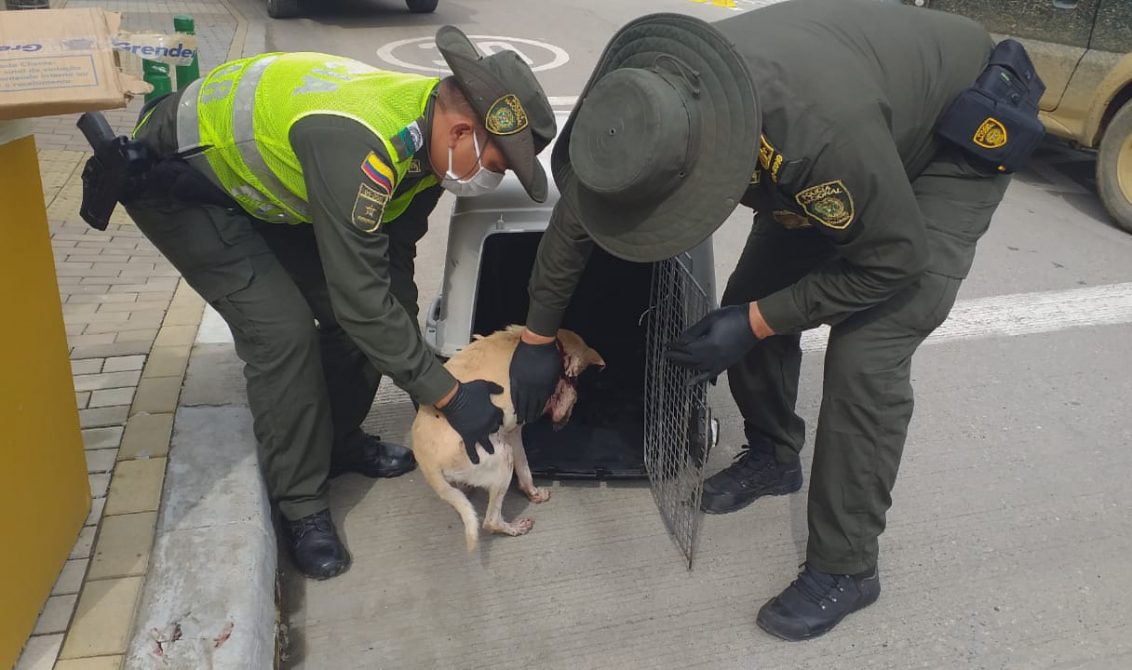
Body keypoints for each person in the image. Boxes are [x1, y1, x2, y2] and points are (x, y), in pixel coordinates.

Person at [508, 1, 1039, 640]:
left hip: (951, 139)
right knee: (751, 295)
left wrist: (757, 323)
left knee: (865, 355)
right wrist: (538, 337)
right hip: (856, 124)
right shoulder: (635, 100)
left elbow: (895, 259)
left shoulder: (810, 136)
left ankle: (848, 568)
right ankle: (774, 454)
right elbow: (577, 218)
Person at [117, 26, 556, 580]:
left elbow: (390, 271)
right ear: (464, 129)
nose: (492, 178)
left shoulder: (430, 152)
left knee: (381, 320)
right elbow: (360, 301)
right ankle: (299, 504)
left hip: (255, 189)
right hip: (174, 178)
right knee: (282, 330)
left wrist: (421, 365)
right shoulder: (365, 149)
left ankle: (336, 442)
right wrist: (447, 392)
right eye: (497, 164)